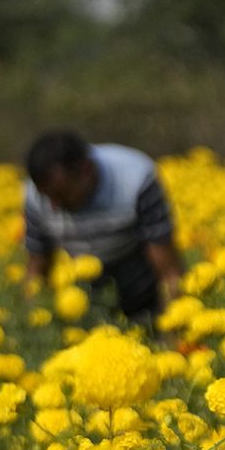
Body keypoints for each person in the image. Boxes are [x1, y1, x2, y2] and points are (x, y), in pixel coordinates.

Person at [21, 130, 184, 323]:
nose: (53, 206)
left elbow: (168, 269)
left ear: (86, 170)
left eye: (61, 195)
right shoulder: (36, 194)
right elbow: (37, 268)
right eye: (46, 196)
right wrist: (33, 323)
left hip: (139, 282)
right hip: (83, 299)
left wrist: (176, 324)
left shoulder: (135, 178)